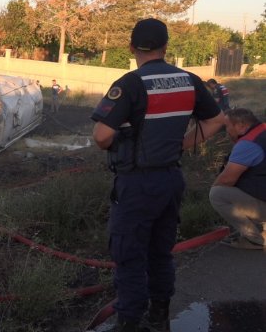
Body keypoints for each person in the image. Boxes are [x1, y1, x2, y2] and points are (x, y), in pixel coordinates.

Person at [91, 18, 225, 331]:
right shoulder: (189, 81)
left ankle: (130, 320)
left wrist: (122, 141)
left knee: (130, 254)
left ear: (131, 47)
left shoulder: (130, 84)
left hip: (137, 184)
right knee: (160, 252)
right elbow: (217, 120)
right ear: (166, 47)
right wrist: (181, 144)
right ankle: (159, 315)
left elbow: (100, 136)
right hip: (170, 180)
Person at [209, 108, 266, 250]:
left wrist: (214, 186)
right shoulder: (262, 130)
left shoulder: (248, 144)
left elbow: (226, 180)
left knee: (217, 194)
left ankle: (254, 239)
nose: (226, 131)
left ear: (241, 126)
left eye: (227, 126)